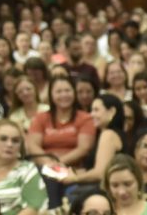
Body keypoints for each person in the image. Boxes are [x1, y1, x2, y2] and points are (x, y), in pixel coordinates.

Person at [27, 76, 97, 208]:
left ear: (74, 93)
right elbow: (33, 145)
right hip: (45, 168)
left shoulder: (85, 118)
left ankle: (54, 211)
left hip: (73, 170)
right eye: (59, 91)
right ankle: (53, 212)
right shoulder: (41, 118)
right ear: (51, 95)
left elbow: (84, 148)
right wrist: (50, 165)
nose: (63, 95)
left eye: (67, 90)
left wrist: (57, 165)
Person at [60, 94, 126, 186]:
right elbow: (92, 169)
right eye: (92, 110)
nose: (92, 114)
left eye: (96, 110)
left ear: (111, 111)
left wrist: (74, 178)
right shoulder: (106, 134)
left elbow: (100, 173)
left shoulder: (108, 135)